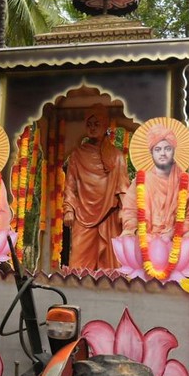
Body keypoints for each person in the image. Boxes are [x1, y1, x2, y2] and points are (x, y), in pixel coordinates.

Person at [63, 103, 130, 269]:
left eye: (96, 124)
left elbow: (123, 187)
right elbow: (70, 186)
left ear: (105, 125)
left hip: (109, 215)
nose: (92, 128)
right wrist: (69, 209)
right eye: (89, 124)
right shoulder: (77, 155)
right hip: (83, 216)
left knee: (110, 267)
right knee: (77, 264)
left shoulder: (116, 156)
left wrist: (125, 211)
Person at [121, 123, 189, 238]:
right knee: (126, 238)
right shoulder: (140, 182)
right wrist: (138, 232)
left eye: (167, 149)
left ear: (174, 151)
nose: (162, 153)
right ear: (151, 153)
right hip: (144, 238)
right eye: (157, 149)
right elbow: (129, 212)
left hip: (176, 238)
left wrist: (171, 234)